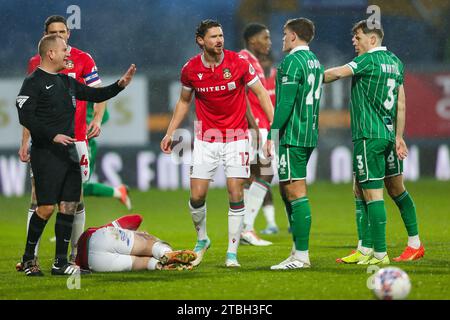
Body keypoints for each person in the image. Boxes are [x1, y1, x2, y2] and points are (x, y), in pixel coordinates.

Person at [16, 16, 132, 272]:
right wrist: (38, 138)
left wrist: (120, 86)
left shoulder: (73, 73)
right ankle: (29, 258)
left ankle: (68, 259)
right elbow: (26, 115)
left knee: (72, 203)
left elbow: (96, 92)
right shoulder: (34, 76)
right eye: (55, 35)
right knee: (43, 204)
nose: (64, 43)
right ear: (49, 49)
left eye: (64, 33)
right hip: (46, 149)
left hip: (75, 145)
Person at [160, 19, 274, 268]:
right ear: (201, 41)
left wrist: (273, 130)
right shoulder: (190, 69)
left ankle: (231, 254)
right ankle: (202, 238)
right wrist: (170, 132)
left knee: (235, 192)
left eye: (221, 35)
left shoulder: (239, 64)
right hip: (206, 139)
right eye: (213, 36)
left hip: (236, 138)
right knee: (197, 195)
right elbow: (183, 102)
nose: (219, 40)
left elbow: (261, 94)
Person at [324, 20, 424, 265]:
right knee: (381, 188)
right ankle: (385, 246)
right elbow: (401, 104)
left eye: (357, 38)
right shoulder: (396, 62)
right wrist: (399, 136)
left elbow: (336, 73)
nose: (354, 42)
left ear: (372, 39)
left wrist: (309, 75)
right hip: (389, 136)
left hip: (369, 135)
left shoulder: (367, 60)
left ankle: (379, 254)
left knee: (372, 193)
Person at [264, 18, 323, 270]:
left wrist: (272, 135)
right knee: (287, 189)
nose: (282, 37)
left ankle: (301, 256)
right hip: (308, 132)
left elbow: (285, 104)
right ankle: (296, 250)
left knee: (295, 191)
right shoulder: (315, 62)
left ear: (294, 36)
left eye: (284, 33)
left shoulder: (290, 62)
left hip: (293, 135)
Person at [238, 23, 275, 246]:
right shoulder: (244, 59)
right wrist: (254, 127)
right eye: (265, 37)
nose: (269, 42)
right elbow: (242, 96)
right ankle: (247, 228)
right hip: (253, 126)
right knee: (265, 173)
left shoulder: (255, 62)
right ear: (253, 40)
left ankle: (244, 228)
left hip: (258, 125)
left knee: (251, 176)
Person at [75, 214, 196, 272]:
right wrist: (141, 234)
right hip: (101, 238)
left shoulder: (75, 256)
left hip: (94, 263)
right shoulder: (104, 228)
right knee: (149, 242)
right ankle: (165, 252)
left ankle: (159, 265)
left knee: (141, 262)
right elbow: (137, 218)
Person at [82, 104, 132, 210]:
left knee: (79, 188)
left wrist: (93, 118)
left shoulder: (89, 91)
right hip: (67, 142)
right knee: (71, 188)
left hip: (86, 144)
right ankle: (119, 192)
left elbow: (103, 116)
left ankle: (119, 192)